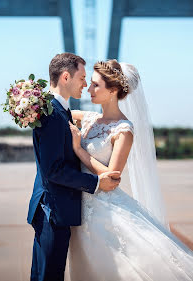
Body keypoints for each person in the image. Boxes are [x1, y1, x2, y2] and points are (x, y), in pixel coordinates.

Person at [67, 59, 193, 281]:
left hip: (104, 209)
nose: (88, 89)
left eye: (95, 85)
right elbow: (58, 111)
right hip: (80, 205)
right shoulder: (90, 118)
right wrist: (31, 101)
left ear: (112, 91)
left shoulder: (124, 130)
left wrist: (78, 149)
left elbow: (112, 176)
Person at [27, 53, 122, 281]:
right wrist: (97, 183)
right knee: (48, 276)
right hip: (52, 210)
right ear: (66, 77)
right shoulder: (52, 114)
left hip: (55, 209)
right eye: (82, 78)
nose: (85, 84)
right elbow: (54, 170)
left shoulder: (61, 111)